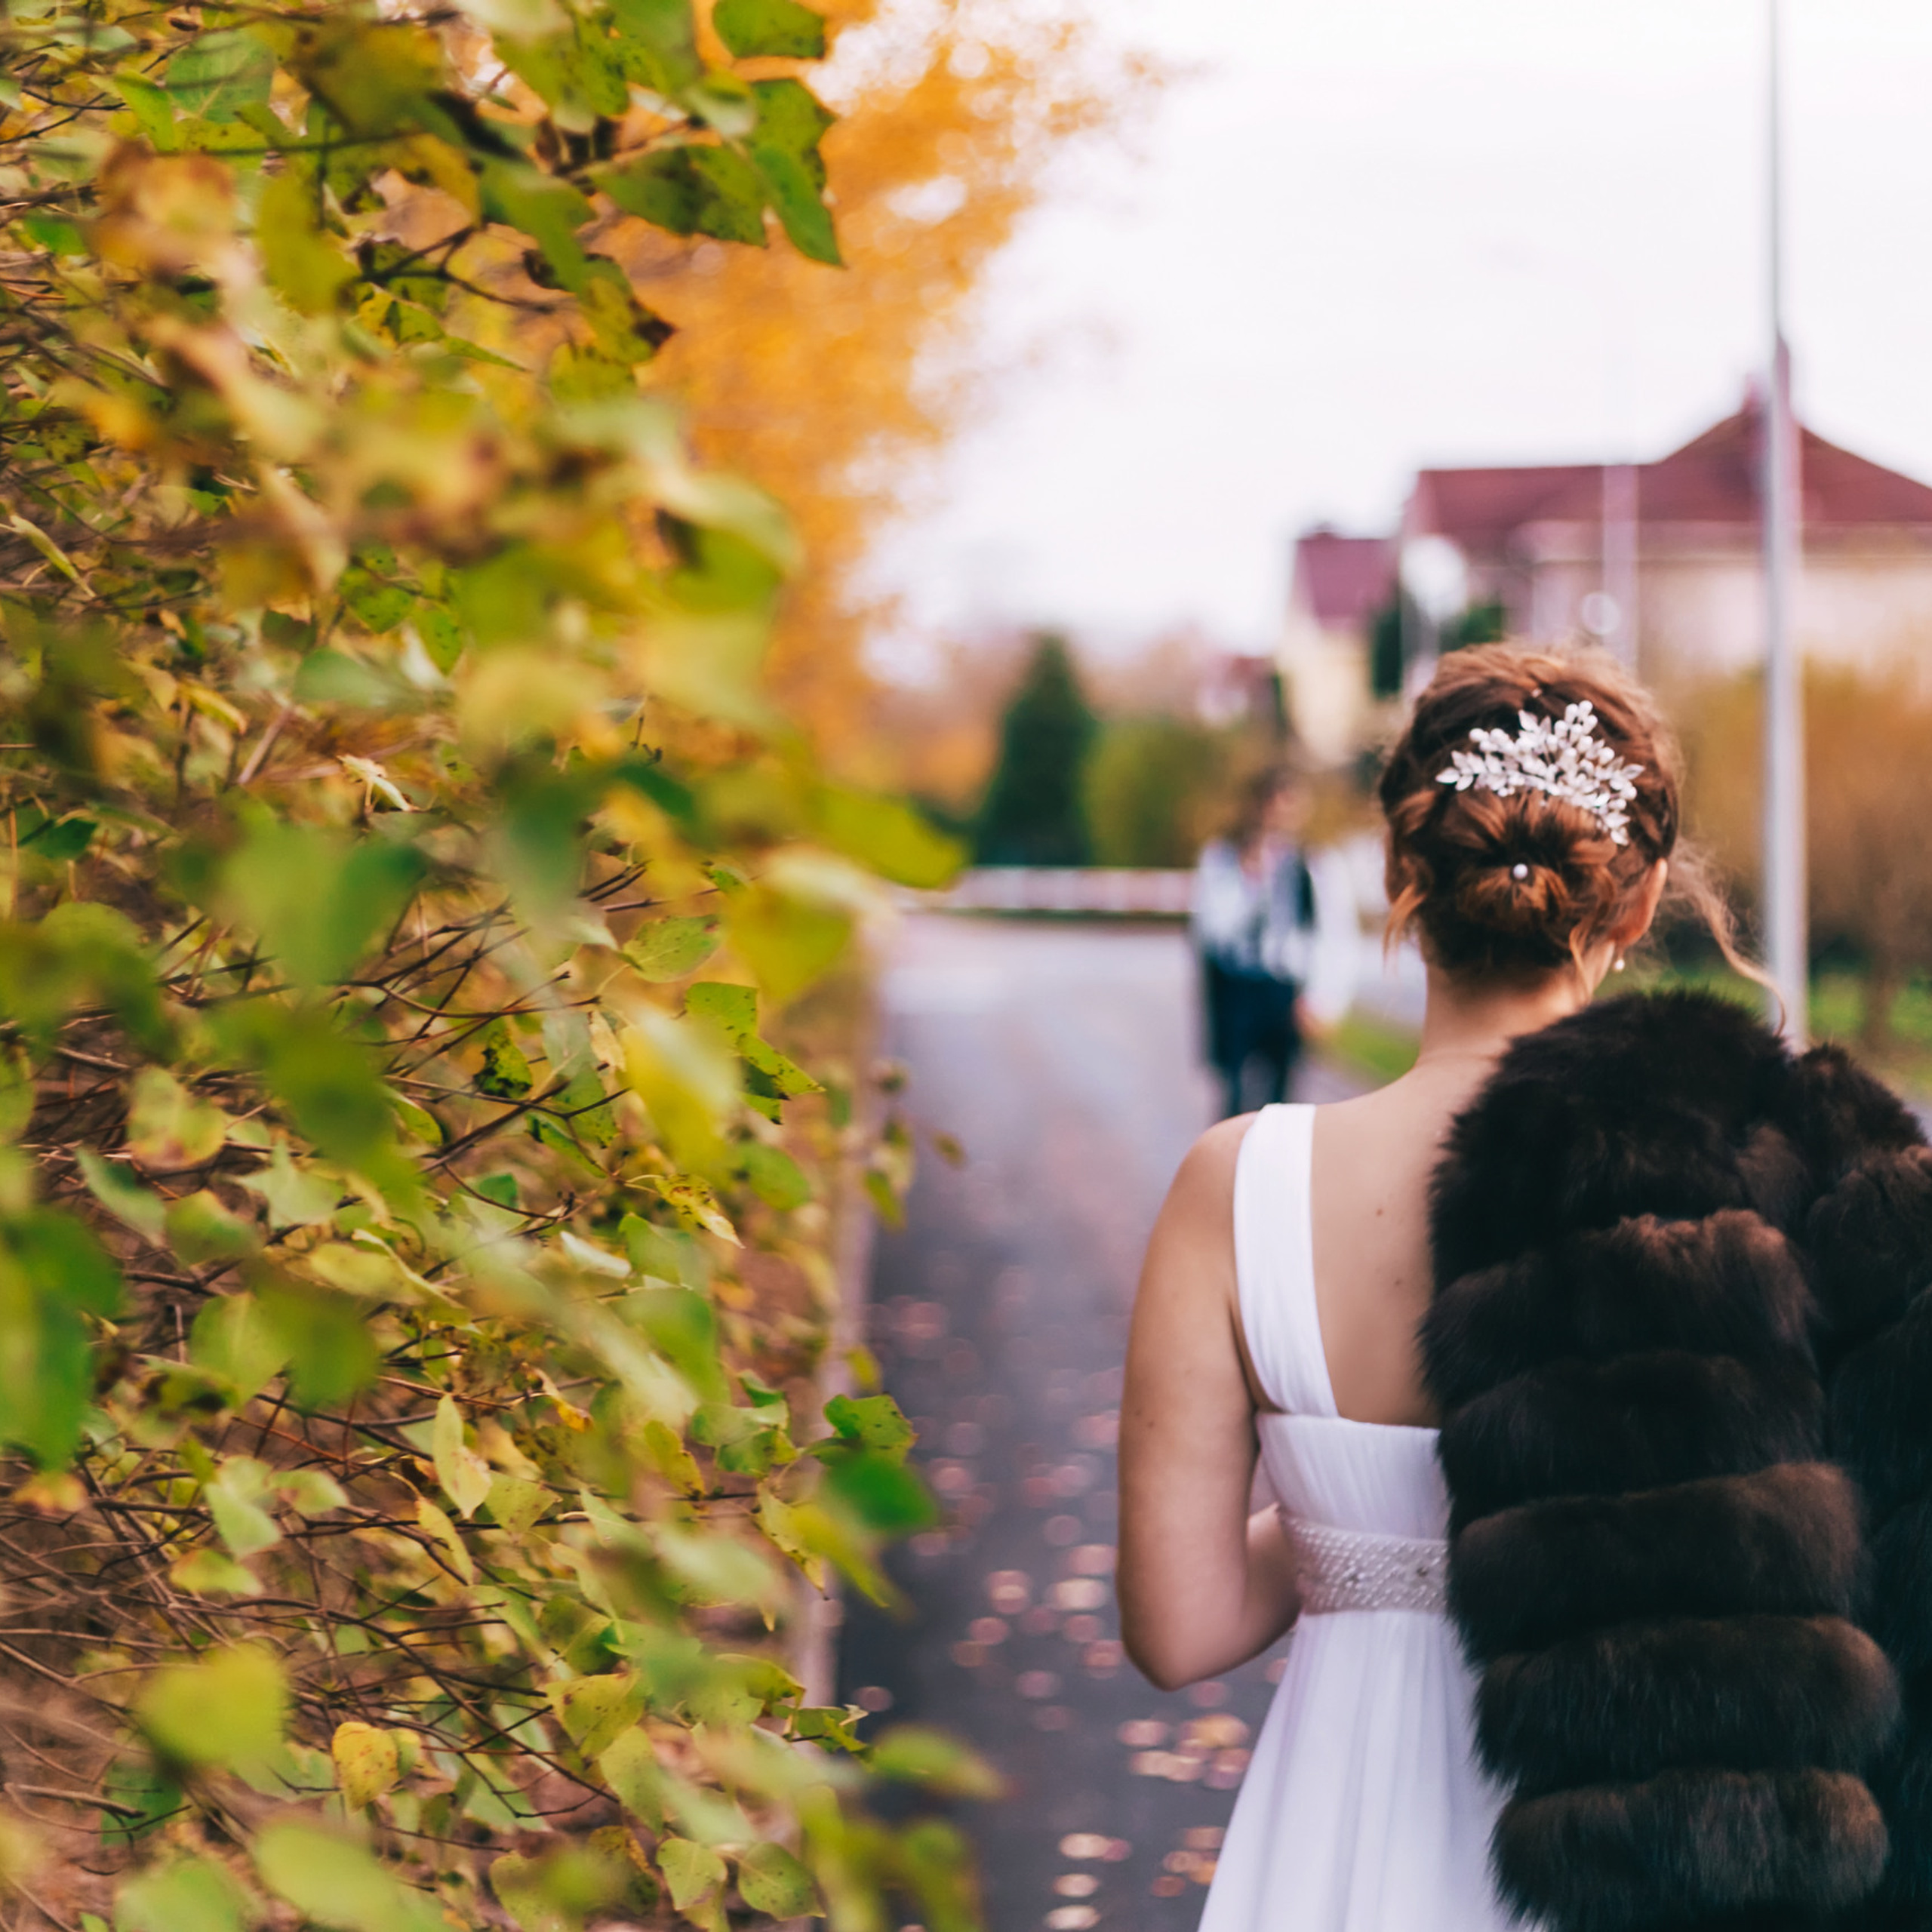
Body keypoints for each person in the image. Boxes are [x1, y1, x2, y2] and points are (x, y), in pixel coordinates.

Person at [1119, 643, 1932, 1932]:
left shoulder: (1236, 1187)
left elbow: (1181, 1626)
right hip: (1647, 1837)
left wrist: (1346, 1515)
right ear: (1638, 902)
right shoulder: (1753, 1172)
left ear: (1401, 874)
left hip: (1341, 1841)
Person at [1191, 767, 1356, 1117]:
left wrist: (1322, 999)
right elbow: (1213, 930)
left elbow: (1334, 933)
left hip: (1285, 987)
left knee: (1281, 1098)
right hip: (1237, 985)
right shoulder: (1224, 858)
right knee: (1233, 1090)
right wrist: (1249, 880)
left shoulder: (1315, 865)